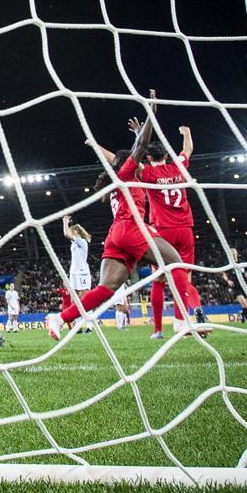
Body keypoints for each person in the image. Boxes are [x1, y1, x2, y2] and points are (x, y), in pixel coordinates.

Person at [47, 110, 206, 342]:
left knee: (105, 288)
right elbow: (140, 147)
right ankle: (183, 321)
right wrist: (150, 115)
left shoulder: (122, 177)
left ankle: (60, 318)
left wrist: (96, 144)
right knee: (176, 263)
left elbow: (128, 153)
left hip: (116, 234)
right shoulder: (130, 172)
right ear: (129, 162)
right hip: (134, 228)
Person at [139, 125, 205, 335]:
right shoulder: (179, 166)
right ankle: (183, 320)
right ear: (167, 155)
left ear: (149, 158)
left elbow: (126, 161)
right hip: (185, 229)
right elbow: (188, 150)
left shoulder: (148, 173)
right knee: (184, 278)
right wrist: (187, 133)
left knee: (158, 280)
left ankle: (158, 330)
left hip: (162, 232)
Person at [61, 214, 92, 333]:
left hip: (82, 273)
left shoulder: (82, 242)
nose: (71, 233)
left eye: (72, 231)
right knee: (74, 301)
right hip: (73, 273)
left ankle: (89, 325)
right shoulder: (74, 244)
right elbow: (67, 234)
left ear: (76, 232)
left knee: (85, 299)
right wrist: (67, 224)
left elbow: (66, 234)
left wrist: (65, 222)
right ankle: (78, 325)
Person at [223, 247, 247, 327]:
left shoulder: (241, 262)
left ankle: (242, 314)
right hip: (236, 287)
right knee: (244, 304)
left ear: (237, 254)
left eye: (234, 254)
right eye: (231, 255)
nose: (233, 256)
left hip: (245, 286)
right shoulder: (229, 264)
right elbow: (224, 274)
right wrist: (228, 281)